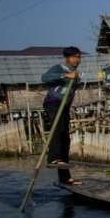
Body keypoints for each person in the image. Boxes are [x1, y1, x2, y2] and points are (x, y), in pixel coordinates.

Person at [41, 46, 82, 185]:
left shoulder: (75, 73)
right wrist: (65, 75)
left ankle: (65, 178)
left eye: (78, 57)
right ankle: (53, 158)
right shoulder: (60, 68)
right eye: (74, 57)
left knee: (65, 137)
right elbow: (44, 78)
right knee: (57, 130)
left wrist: (73, 76)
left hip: (64, 106)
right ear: (67, 58)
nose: (77, 59)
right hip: (53, 103)